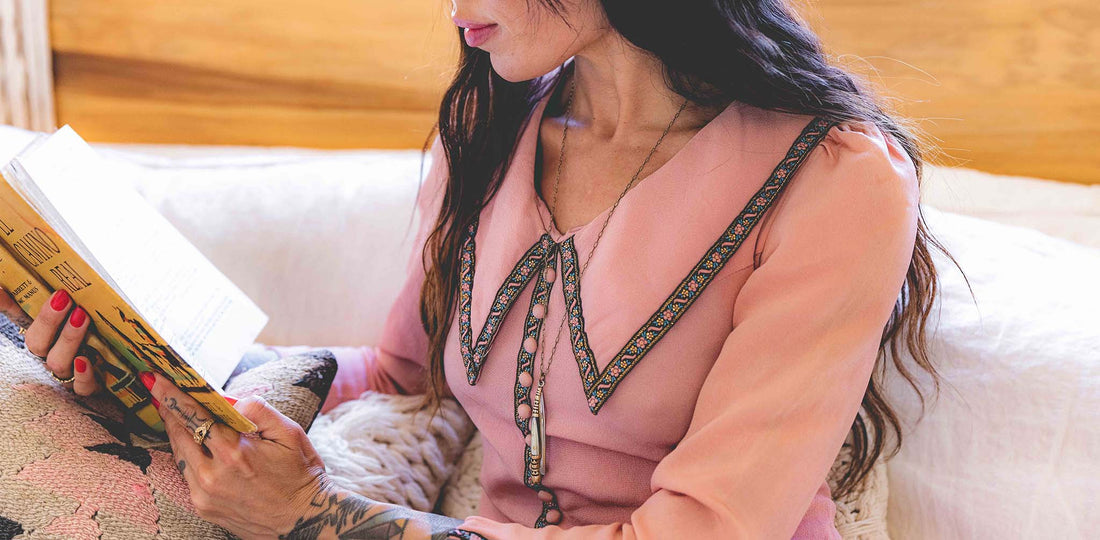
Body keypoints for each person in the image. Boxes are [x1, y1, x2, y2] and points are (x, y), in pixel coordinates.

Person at [6, 0, 950, 537]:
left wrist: (324, 521)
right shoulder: (491, 123)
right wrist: (157, 367)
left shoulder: (837, 182)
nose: (450, 6)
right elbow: (404, 379)